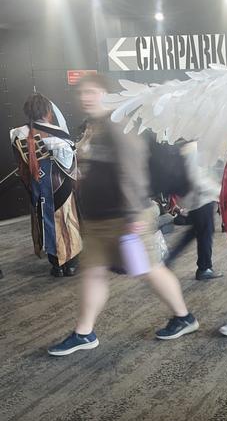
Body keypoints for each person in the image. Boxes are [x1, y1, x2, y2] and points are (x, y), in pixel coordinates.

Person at [47, 74, 198, 357]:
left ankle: (184, 317)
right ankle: (84, 332)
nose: (86, 97)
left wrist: (132, 216)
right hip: (100, 218)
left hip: (125, 217)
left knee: (149, 269)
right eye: (82, 93)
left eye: (92, 92)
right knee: (93, 272)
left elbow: (133, 170)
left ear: (107, 94)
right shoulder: (96, 126)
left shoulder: (119, 124)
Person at [10, 94, 82, 277]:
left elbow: (22, 164)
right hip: (60, 187)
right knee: (66, 222)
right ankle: (70, 263)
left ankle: (55, 264)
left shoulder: (17, 133)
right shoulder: (58, 134)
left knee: (45, 221)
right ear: (47, 111)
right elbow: (68, 164)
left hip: (37, 186)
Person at [164, 142, 223, 280]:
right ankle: (204, 268)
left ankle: (167, 260)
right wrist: (219, 191)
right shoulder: (193, 148)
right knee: (205, 234)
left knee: (194, 233)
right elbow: (197, 179)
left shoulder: (187, 146)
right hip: (201, 199)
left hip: (195, 199)